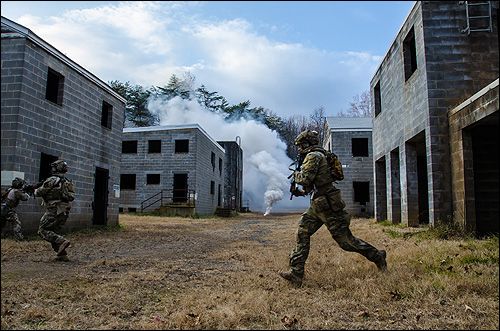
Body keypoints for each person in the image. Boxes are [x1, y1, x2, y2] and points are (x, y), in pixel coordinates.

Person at [279, 130, 387, 287]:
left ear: (307, 144)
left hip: (328, 204)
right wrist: (300, 192)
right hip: (318, 204)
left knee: (346, 242)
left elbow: (305, 178)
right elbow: (313, 184)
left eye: (301, 145)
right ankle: (296, 274)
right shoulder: (318, 156)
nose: (299, 149)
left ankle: (378, 256)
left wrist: (295, 174)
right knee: (303, 231)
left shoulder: (313, 156)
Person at [34, 159, 75, 261]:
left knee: (42, 230)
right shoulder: (67, 182)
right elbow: (71, 196)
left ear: (57, 168)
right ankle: (62, 255)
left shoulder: (51, 180)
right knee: (52, 231)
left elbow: (38, 192)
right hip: (64, 210)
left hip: (54, 209)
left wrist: (34, 189)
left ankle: (62, 241)